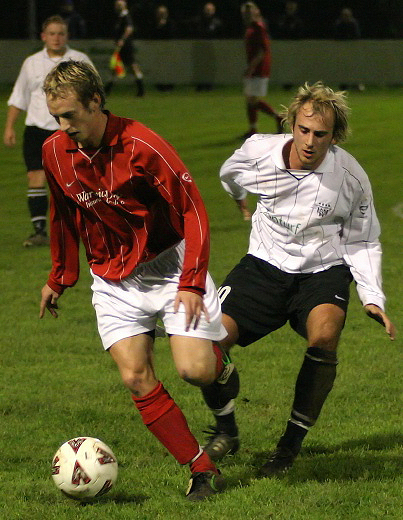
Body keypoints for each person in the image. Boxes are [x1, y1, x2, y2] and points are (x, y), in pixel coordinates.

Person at [39, 59, 230, 500]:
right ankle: (201, 469)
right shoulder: (54, 152)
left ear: (96, 102)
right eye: (56, 119)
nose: (63, 127)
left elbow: (193, 210)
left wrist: (191, 281)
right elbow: (63, 214)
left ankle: (222, 366)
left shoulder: (143, 145)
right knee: (135, 377)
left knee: (194, 370)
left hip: (168, 268)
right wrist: (60, 276)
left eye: (70, 116)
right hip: (112, 281)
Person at [200, 82, 396, 476]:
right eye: (303, 130)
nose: (309, 141)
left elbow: (362, 239)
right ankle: (227, 427)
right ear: (292, 125)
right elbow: (229, 172)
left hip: (322, 272)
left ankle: (287, 449)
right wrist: (236, 193)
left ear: (334, 136)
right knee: (207, 348)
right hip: (263, 266)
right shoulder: (259, 150)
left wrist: (372, 296)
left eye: (320, 134)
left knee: (324, 337)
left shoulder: (350, 178)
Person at [3, 15, 93, 247]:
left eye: (60, 33)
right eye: (51, 33)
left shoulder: (79, 60)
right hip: (35, 130)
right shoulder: (31, 63)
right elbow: (19, 97)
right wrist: (10, 126)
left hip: (68, 130)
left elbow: (95, 96)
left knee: (75, 181)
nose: (56, 38)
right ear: (43, 36)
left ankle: (83, 228)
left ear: (67, 36)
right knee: (35, 177)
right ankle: (39, 231)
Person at [240, 2, 282, 140]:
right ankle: (253, 128)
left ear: (256, 12)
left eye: (249, 12)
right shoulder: (251, 27)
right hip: (253, 67)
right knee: (250, 98)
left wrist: (251, 67)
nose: (247, 15)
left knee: (253, 99)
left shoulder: (258, 27)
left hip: (259, 68)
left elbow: (263, 51)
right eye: (245, 13)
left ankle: (278, 117)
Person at [105, 0, 145, 97]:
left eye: (119, 5)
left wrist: (122, 40)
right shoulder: (120, 17)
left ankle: (141, 89)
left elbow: (129, 29)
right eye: (116, 5)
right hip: (121, 46)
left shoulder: (126, 16)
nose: (117, 7)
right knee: (117, 67)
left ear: (124, 6)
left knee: (132, 66)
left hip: (126, 46)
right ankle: (107, 89)